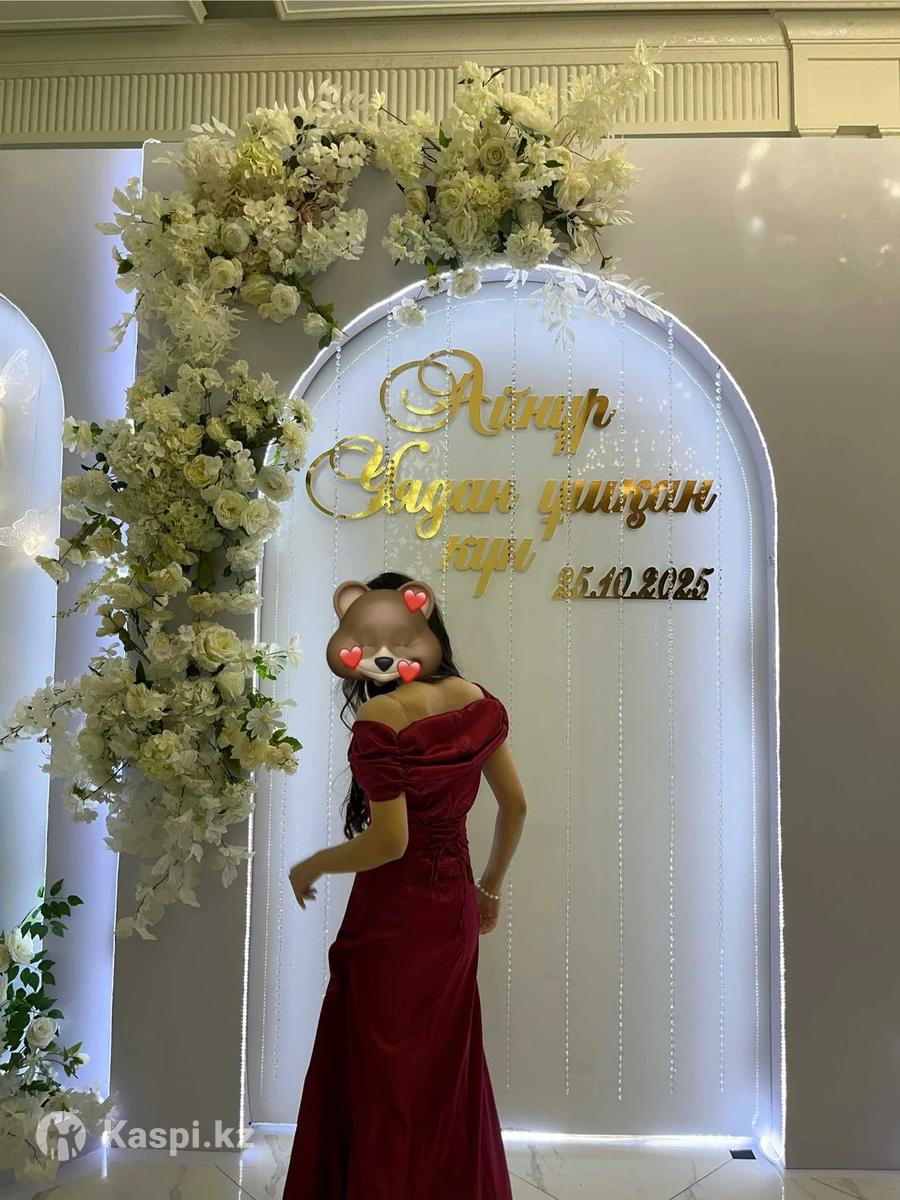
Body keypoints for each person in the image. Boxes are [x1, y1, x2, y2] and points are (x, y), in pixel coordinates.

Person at [283, 570, 527, 1200]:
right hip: (452, 911)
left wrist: (315, 864)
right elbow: (516, 806)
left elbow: (389, 842)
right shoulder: (476, 702)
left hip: (394, 915)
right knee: (442, 1068)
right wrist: (489, 887)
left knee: (383, 1071)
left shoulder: (382, 714)